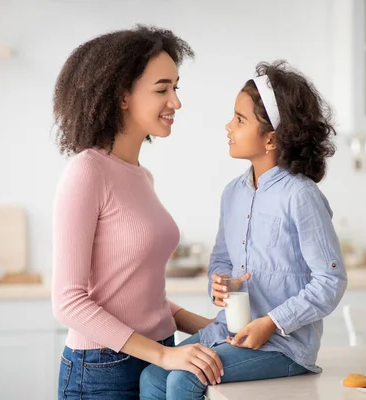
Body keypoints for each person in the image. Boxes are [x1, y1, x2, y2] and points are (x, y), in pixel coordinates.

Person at [139, 60, 348, 400]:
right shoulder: (233, 193)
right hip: (229, 332)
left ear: (271, 138)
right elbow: (221, 259)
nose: (228, 127)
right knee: (153, 375)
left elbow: (331, 281)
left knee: (184, 379)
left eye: (239, 119)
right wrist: (220, 286)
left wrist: (271, 322)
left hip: (283, 346)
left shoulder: (301, 196)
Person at [51, 25, 223, 400]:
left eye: (176, 88)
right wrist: (163, 354)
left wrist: (212, 328)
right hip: (103, 370)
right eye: (162, 89)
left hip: (157, 356)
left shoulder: (141, 176)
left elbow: (141, 296)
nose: (175, 101)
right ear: (122, 96)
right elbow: (68, 302)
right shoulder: (87, 171)